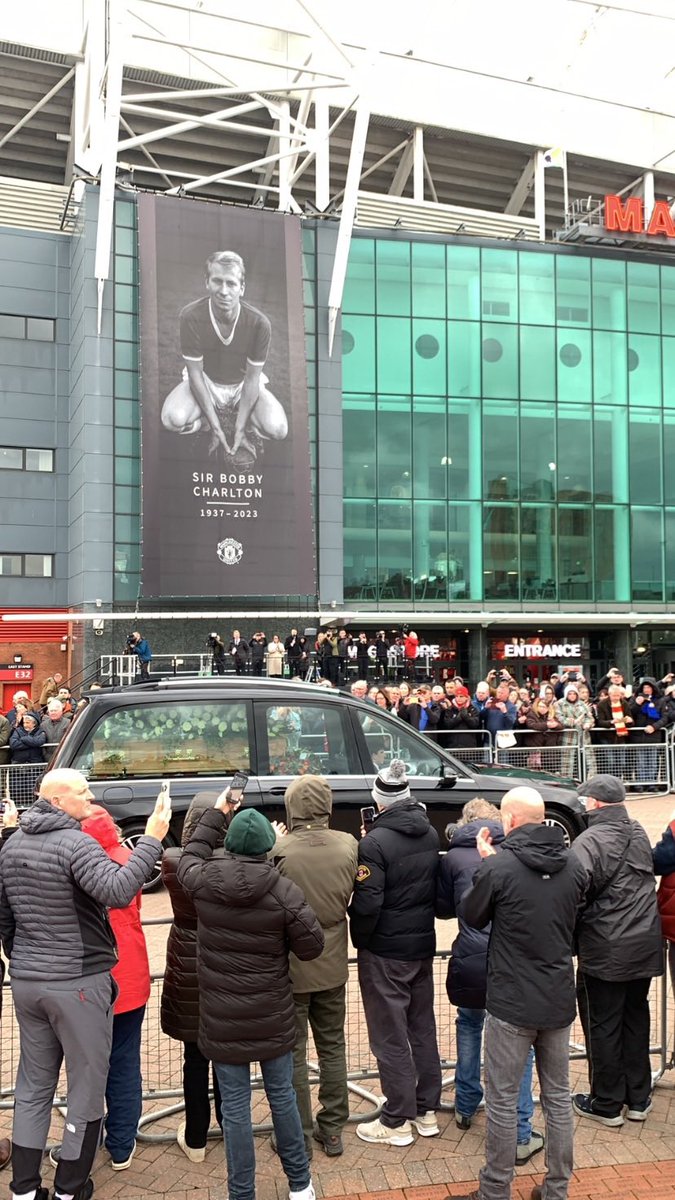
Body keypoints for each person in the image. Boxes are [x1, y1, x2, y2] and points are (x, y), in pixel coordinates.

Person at [0, 768, 169, 1200]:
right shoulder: (76, 843)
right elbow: (117, 889)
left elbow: (6, 921)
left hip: (28, 979)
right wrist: (151, 838)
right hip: (78, 982)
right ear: (56, 801)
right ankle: (71, 1187)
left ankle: (23, 1189)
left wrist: (25, 959)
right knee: (87, 1083)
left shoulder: (12, 843)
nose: (90, 799)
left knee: (33, 1084)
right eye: (82, 792)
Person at [177, 800, 324, 1200]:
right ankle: (301, 1185)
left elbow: (190, 852)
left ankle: (241, 1193)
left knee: (236, 1110)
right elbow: (312, 947)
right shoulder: (282, 890)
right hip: (272, 1014)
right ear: (267, 847)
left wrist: (218, 812)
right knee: (283, 1099)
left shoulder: (203, 880)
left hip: (222, 1019)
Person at [451, 786, 587, 1200]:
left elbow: (472, 915)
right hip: (558, 998)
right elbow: (574, 928)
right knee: (558, 1099)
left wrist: (486, 865)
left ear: (508, 821)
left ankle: (495, 1191)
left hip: (512, 1002)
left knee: (504, 1100)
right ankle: (556, 1189)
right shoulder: (575, 865)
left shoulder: (500, 867)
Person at [436, 799, 543, 1166]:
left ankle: (466, 1105)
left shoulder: (451, 858)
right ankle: (521, 1127)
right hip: (509, 963)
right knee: (519, 1044)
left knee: (468, 1026)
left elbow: (445, 907)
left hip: (470, 957)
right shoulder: (513, 855)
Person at [349, 760, 442, 1146]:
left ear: (378, 800)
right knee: (421, 1028)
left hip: (386, 950)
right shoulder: (430, 834)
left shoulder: (373, 844)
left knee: (389, 1034)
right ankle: (426, 1110)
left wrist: (362, 938)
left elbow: (368, 904)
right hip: (420, 943)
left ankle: (396, 1119)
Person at [571, 774, 663, 1127]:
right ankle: (638, 1098)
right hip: (643, 942)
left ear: (594, 803)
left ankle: (607, 1102)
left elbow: (575, 891)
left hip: (605, 947)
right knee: (636, 1018)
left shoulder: (589, 840)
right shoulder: (637, 831)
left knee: (603, 1023)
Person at [273, 776, 358, 1157]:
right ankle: (333, 1127)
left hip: (289, 963)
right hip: (332, 959)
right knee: (332, 1045)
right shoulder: (348, 845)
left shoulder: (280, 849)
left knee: (293, 1051)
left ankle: (299, 1134)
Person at [160, 250, 287, 466]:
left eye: (231, 283)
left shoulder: (259, 323)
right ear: (207, 282)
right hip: (206, 380)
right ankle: (203, 423)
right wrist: (217, 428)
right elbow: (195, 374)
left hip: (241, 385)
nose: (224, 291)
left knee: (278, 429)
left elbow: (252, 379)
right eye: (217, 281)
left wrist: (239, 430)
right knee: (172, 420)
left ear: (242, 288)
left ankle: (247, 424)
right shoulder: (191, 316)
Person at [79, 805, 151, 1171]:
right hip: (131, 975)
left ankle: (84, 1149)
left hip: (88, 981)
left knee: (87, 1066)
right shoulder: (128, 859)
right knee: (125, 1062)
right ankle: (122, 1144)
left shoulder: (74, 862)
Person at [161, 793, 229, 1161]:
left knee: (194, 1058)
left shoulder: (173, 861)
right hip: (226, 962)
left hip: (187, 962)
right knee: (227, 1057)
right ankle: (231, 1126)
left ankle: (196, 1138)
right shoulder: (238, 863)